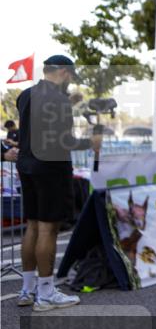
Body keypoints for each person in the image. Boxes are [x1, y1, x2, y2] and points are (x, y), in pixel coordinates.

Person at [14, 56, 102, 311]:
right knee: (47, 230)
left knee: (31, 226)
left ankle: (27, 289)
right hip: (50, 168)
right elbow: (63, 141)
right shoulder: (59, 100)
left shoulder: (25, 95)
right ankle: (46, 293)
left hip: (27, 165)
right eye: (71, 76)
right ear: (63, 71)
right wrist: (90, 144)